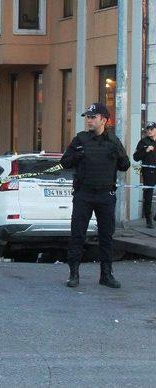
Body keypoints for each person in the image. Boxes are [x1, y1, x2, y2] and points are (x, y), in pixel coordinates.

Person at [61, 102, 130, 289]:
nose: (89, 120)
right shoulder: (80, 139)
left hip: (105, 195)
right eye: (88, 117)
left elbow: (125, 166)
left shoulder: (113, 141)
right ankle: (73, 274)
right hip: (84, 193)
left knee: (107, 236)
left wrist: (120, 155)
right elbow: (64, 162)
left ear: (104, 120)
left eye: (93, 117)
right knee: (77, 235)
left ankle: (106, 275)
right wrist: (78, 156)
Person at [133, 121, 156, 229]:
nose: (149, 131)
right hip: (148, 172)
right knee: (148, 195)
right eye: (148, 129)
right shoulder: (143, 141)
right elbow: (136, 157)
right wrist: (146, 150)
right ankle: (148, 219)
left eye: (151, 129)